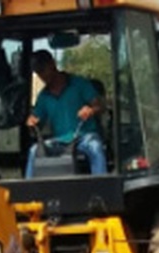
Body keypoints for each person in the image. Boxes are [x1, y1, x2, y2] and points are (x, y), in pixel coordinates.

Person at [24, 49, 107, 177]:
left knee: (95, 147)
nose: (42, 76)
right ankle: (28, 193)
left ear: (52, 64)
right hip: (59, 141)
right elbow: (37, 121)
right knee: (34, 150)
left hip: (84, 137)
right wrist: (32, 123)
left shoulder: (79, 84)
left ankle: (103, 188)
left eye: (43, 70)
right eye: (38, 72)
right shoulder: (44, 97)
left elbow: (100, 105)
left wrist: (90, 110)